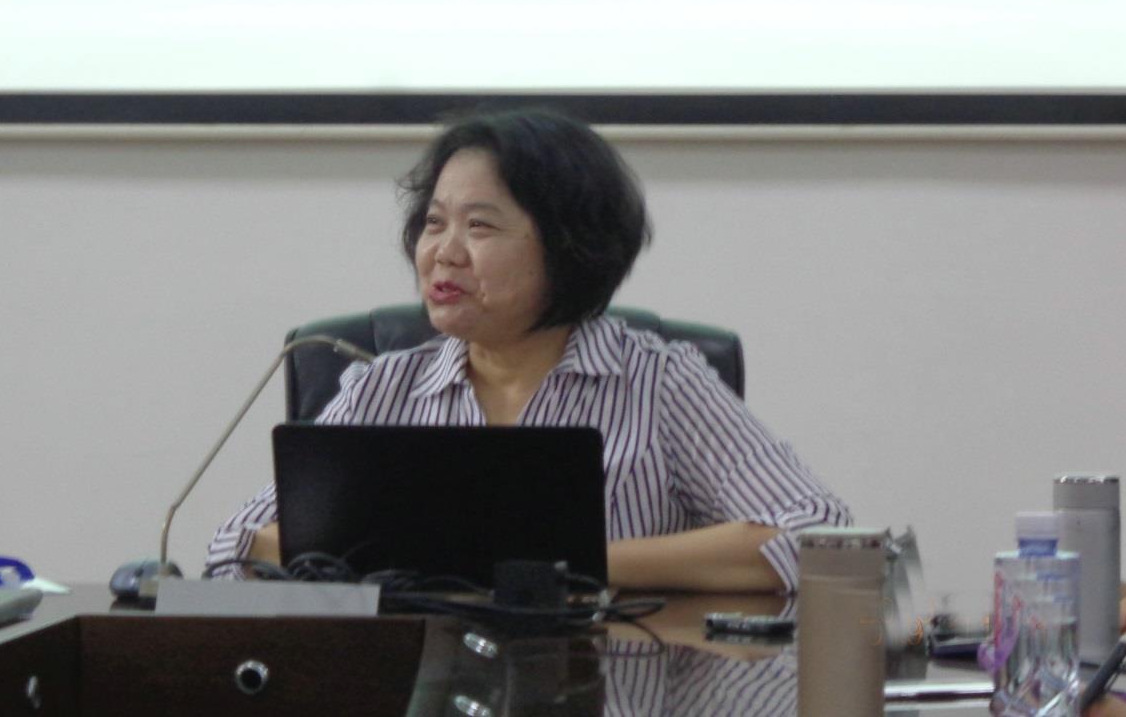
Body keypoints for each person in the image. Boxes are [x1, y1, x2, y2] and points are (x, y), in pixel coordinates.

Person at [208, 108, 850, 591]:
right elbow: (238, 544)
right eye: (433, 223)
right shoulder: (381, 387)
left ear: (569, 247)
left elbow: (816, 536)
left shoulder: (659, 383)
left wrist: (570, 569)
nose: (444, 252)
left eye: (479, 226)